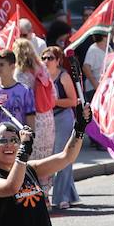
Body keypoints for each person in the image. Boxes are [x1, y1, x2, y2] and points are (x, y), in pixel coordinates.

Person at [40, 47, 82, 209]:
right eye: (43, 57)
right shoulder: (40, 76)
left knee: (64, 157)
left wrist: (51, 101)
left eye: (50, 57)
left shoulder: (63, 76)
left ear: (58, 60)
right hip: (46, 120)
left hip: (63, 118)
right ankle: (69, 193)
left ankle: (61, 196)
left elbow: (73, 101)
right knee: (50, 157)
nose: (46, 61)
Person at [0, 49, 37, 144]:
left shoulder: (25, 91)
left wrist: (28, 143)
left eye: (1, 65)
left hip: (17, 142)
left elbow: (30, 122)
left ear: (12, 66)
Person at [14, 38, 56, 159]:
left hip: (30, 117)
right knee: (46, 156)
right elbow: (53, 92)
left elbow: (20, 98)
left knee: (30, 156)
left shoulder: (19, 73)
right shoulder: (42, 68)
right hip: (46, 115)